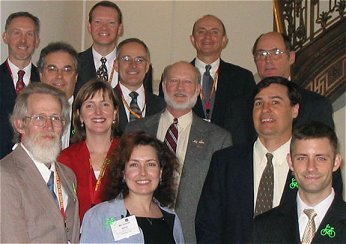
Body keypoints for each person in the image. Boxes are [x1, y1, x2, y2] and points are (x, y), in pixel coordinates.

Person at [195, 76, 343, 243]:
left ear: (295, 110)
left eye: (275, 102)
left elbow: (331, 219)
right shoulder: (225, 162)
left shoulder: (312, 166)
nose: (265, 109)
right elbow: (207, 225)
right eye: (258, 103)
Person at [126, 61, 232, 242]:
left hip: (193, 235)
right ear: (164, 86)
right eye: (174, 81)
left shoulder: (219, 139)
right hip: (139, 232)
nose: (180, 87)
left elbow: (224, 201)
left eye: (188, 82)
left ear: (199, 89)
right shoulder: (134, 130)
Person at [159, 15, 256, 146]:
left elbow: (249, 124)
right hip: (186, 151)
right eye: (201, 31)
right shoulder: (172, 77)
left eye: (214, 32)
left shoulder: (243, 78)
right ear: (192, 39)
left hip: (229, 152)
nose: (207, 37)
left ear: (224, 40)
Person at [0, 83, 80, 243]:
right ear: (20, 124)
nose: (48, 125)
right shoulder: (5, 176)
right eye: (39, 117)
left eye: (55, 118)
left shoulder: (67, 175)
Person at [80, 132, 184, 243]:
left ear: (161, 172)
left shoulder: (172, 220)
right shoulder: (99, 216)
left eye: (150, 164)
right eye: (134, 164)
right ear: (123, 173)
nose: (143, 172)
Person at [252, 122, 346, 243]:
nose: (311, 167)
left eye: (321, 158)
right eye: (302, 158)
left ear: (336, 162)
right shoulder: (264, 226)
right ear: (290, 162)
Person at [59, 79, 120, 221]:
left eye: (105, 104)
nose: (98, 112)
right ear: (79, 115)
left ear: (115, 113)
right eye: (89, 106)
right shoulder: (65, 159)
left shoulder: (130, 155)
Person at [252, 31, 334, 129]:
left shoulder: (316, 105)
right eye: (261, 54)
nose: (268, 60)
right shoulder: (241, 105)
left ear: (291, 57)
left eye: (276, 53)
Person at [76, 1, 153, 95]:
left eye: (111, 23)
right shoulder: (75, 63)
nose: (104, 28)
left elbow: (146, 102)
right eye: (98, 22)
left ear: (120, 29)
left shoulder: (139, 66)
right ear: (89, 27)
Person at [0, 11, 40, 159]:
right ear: (5, 37)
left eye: (29, 34)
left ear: (37, 41)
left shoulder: (45, 81)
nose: (23, 40)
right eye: (17, 33)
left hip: (36, 168)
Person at [114, 38, 165, 134]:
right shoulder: (105, 101)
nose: (133, 65)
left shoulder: (162, 106)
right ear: (116, 65)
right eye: (126, 59)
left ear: (147, 67)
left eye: (139, 60)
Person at [38, 41, 78, 149]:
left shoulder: (87, 115)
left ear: (76, 76)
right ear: (41, 75)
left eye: (67, 70)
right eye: (52, 69)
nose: (59, 76)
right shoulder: (29, 114)